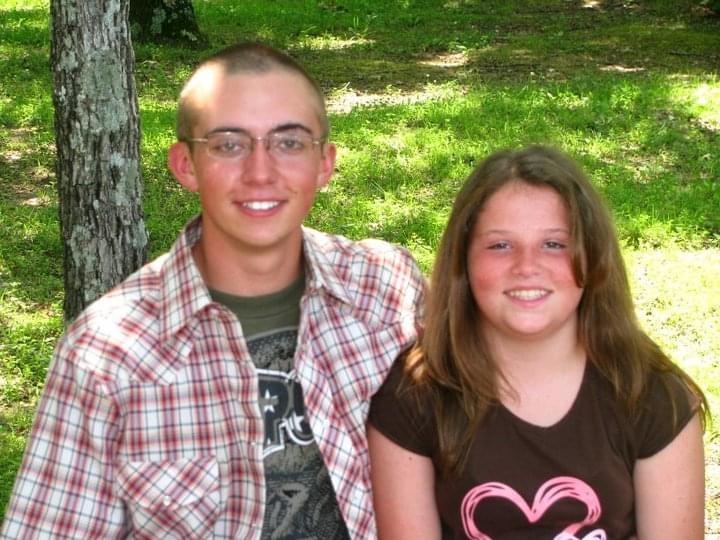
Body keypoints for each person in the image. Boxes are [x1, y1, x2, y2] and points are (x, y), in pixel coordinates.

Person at [1, 42, 425, 539]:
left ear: (324, 162)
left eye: (289, 142)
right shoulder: (107, 354)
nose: (260, 172)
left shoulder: (386, 290)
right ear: (185, 164)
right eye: (228, 144)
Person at [368, 145, 708, 539]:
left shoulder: (648, 393)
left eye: (554, 244)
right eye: (500, 245)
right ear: (464, 262)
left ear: (593, 257)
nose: (526, 266)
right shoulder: (414, 395)